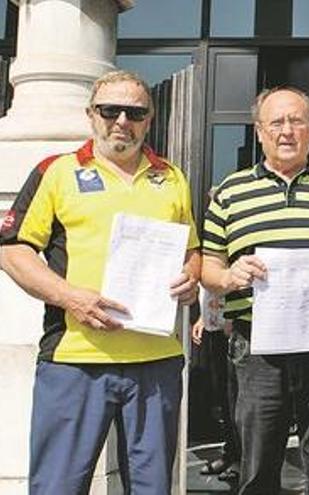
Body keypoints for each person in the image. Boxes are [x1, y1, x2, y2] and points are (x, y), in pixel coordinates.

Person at [0, 70, 200, 494]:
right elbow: (12, 250)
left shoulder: (173, 177)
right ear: (91, 114)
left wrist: (191, 276)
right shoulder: (56, 172)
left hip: (156, 361)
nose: (122, 121)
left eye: (135, 112)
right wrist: (69, 296)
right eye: (110, 110)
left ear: (149, 119)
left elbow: (191, 251)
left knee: (152, 490)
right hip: (75, 360)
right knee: (57, 487)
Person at [201, 85, 309, 494]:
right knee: (256, 467)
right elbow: (208, 266)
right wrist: (229, 276)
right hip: (257, 345)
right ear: (259, 131)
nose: (286, 131)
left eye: (297, 121)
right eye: (276, 122)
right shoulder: (230, 192)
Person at [192, 286, 240, 483]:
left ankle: (242, 460)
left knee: (236, 397)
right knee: (223, 395)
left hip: (236, 325)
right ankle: (231, 453)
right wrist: (204, 316)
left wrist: (232, 317)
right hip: (214, 322)